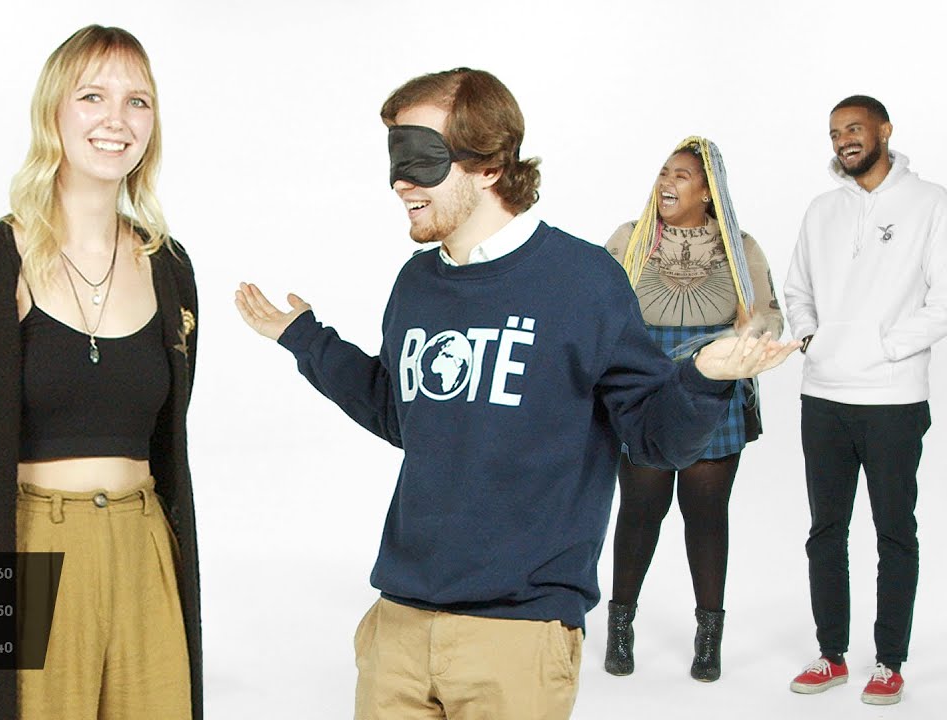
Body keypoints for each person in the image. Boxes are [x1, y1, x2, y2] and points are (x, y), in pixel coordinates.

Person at [235, 68, 797, 720]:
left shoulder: (584, 281)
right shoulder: (417, 285)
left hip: (517, 636)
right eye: (394, 159)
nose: (399, 182)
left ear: (489, 166)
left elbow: (655, 438)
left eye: (419, 157)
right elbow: (399, 413)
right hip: (399, 628)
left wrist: (704, 377)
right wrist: (306, 340)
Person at [0, 25, 201, 720]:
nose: (117, 119)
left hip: (144, 549)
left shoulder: (169, 268)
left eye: (137, 101)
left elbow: (169, 433)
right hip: (27, 549)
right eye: (92, 96)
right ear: (53, 110)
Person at [783, 95, 947, 706]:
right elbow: (797, 289)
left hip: (893, 399)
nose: (844, 140)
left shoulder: (930, 203)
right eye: (834, 133)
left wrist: (884, 348)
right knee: (825, 530)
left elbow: (943, 300)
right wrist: (812, 337)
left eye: (854, 128)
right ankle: (831, 655)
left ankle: (889, 662)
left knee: (893, 531)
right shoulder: (822, 210)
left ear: (885, 130)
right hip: (823, 395)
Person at [601, 137, 784, 682]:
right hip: (645, 384)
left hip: (714, 383)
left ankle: (709, 636)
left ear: (708, 192)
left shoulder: (739, 247)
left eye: (681, 176)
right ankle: (620, 625)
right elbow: (596, 308)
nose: (667, 182)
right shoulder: (630, 239)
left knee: (706, 515)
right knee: (641, 509)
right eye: (664, 172)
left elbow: (768, 315)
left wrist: (752, 334)